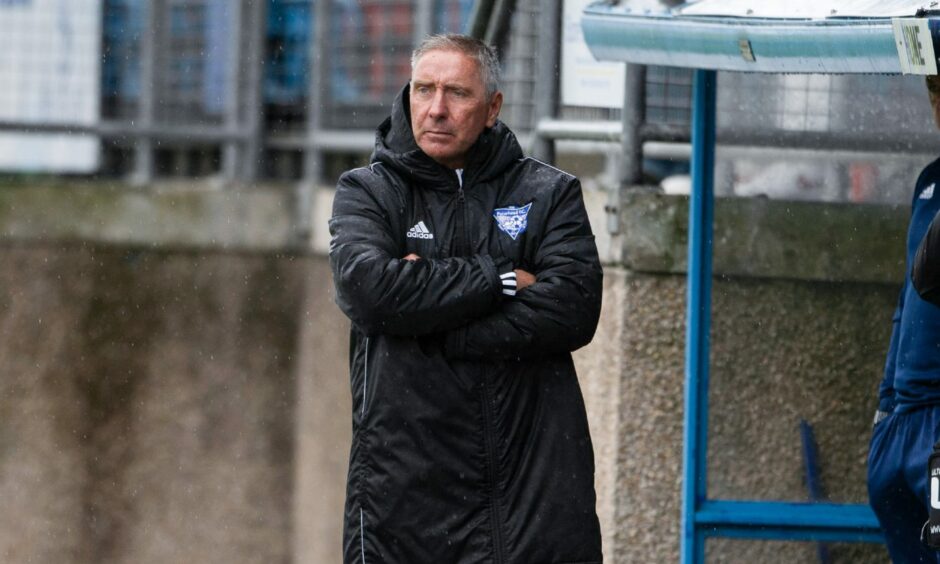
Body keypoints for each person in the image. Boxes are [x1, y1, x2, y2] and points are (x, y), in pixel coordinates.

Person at [328, 34, 604, 563]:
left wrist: (430, 321)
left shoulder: (548, 193)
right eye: (424, 89)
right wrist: (498, 278)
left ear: (493, 107)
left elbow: (572, 309)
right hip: (403, 507)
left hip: (530, 502)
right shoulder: (368, 191)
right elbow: (369, 290)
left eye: (457, 93)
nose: (436, 109)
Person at [868, 74, 940, 563]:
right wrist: (885, 407)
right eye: (933, 91)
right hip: (901, 422)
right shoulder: (929, 180)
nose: (938, 104)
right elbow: (906, 298)